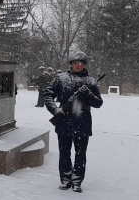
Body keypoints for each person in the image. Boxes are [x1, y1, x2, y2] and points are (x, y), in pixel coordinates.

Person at [43, 51, 103, 193]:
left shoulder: (91, 81)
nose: (78, 65)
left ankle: (77, 181)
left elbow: (99, 103)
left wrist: (88, 94)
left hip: (83, 123)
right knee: (64, 153)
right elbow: (48, 95)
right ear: (71, 64)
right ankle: (65, 179)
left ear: (85, 64)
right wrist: (55, 110)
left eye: (81, 63)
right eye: (75, 62)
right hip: (64, 121)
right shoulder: (60, 78)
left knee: (80, 155)